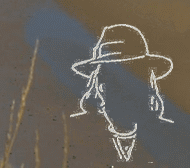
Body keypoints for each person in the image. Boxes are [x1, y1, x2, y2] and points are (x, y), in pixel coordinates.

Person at [71, 23, 173, 162]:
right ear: (98, 86)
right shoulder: (79, 131)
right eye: (111, 81)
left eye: (134, 80)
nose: (125, 91)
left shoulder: (171, 135)